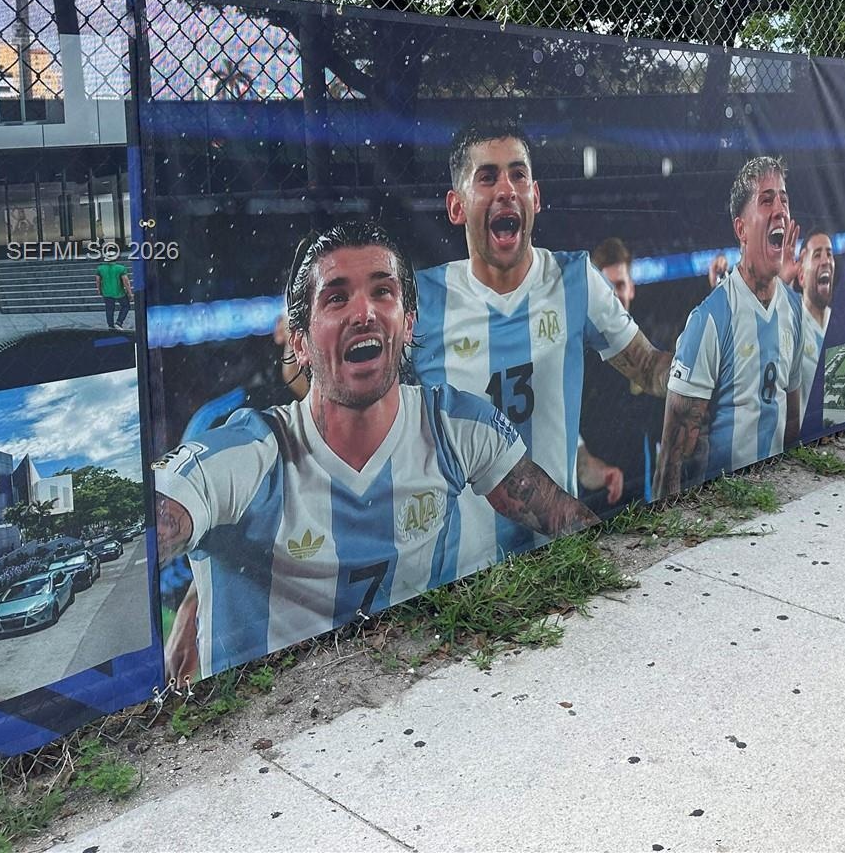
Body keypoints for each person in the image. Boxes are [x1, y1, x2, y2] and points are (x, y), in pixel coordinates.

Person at [154, 220, 596, 684]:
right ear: (299, 341)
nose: (363, 311)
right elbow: (159, 523)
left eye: (382, 291)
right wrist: (192, 596)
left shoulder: (456, 427)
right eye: (337, 297)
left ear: (408, 324)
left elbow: (572, 523)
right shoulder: (244, 449)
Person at [413, 122, 672, 556]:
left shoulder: (576, 280)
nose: (506, 189)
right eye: (487, 177)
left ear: (535, 196)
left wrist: (707, 360)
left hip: (558, 554)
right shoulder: (419, 302)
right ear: (456, 207)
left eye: (518, 174)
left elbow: (648, 369)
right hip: (462, 573)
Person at [659, 156, 803, 497]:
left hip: (775, 499)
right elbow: (671, 459)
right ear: (741, 229)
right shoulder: (709, 319)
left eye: (784, 199)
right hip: (724, 508)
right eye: (766, 200)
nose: (780, 210)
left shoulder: (794, 309)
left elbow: (792, 419)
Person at [579, 238, 666, 506]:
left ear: (632, 288)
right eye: (606, 287)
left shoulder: (649, 351)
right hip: (594, 489)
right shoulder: (578, 355)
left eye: (619, 285)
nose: (614, 295)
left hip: (642, 483)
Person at [793, 228, 835, 399]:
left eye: (829, 254)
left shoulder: (841, 322)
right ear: (801, 276)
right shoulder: (791, 322)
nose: (826, 261)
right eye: (817, 255)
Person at [95, 245, 133, 330]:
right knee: (126, 306)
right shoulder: (121, 268)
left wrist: (99, 289)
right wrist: (129, 293)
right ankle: (119, 322)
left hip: (106, 292)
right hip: (119, 292)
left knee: (109, 309)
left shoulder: (100, 268)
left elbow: (97, 280)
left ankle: (110, 325)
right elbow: (126, 282)